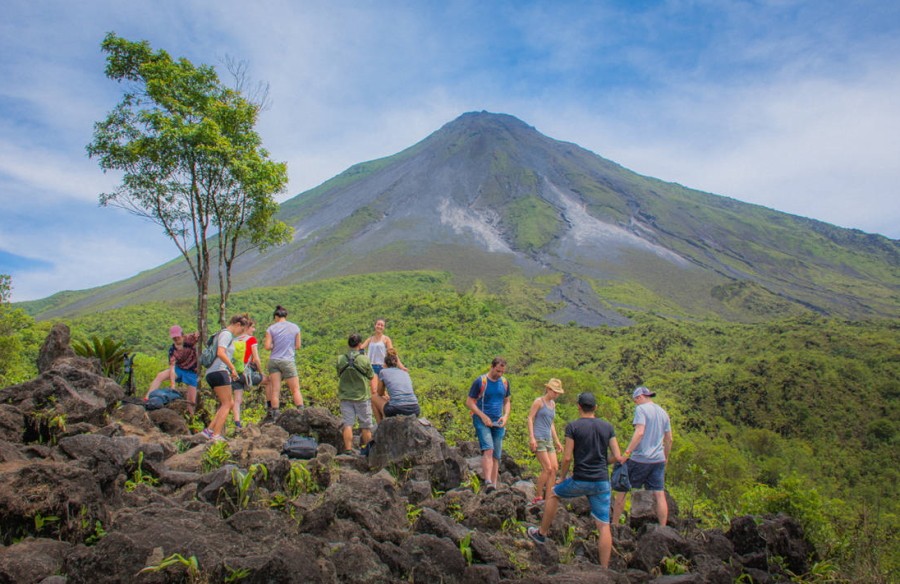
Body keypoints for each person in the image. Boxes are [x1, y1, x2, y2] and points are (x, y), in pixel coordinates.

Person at [528, 392, 623, 569]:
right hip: (602, 481)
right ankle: (604, 569)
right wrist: (603, 462)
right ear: (595, 408)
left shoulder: (573, 426)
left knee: (555, 493)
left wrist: (562, 477)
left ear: (579, 406)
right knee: (603, 525)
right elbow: (617, 456)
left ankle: (541, 533)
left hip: (580, 479)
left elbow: (566, 458)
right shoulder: (607, 427)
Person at [612, 386, 673, 526]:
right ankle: (663, 529)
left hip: (640, 458)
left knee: (622, 490)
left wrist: (626, 454)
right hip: (658, 459)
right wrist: (665, 457)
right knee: (659, 494)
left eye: (635, 401)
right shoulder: (663, 412)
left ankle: (614, 525)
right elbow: (669, 439)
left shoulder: (641, 409)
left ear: (639, 397)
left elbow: (639, 432)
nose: (635, 404)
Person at [465, 357, 511, 493]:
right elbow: (469, 402)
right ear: (491, 367)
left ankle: (494, 486)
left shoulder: (504, 382)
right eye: (497, 371)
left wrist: (506, 416)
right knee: (488, 449)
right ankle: (488, 482)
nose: (500, 374)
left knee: (496, 454)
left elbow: (507, 401)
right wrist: (483, 416)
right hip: (482, 420)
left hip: (498, 422)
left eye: (502, 371)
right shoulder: (481, 381)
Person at [201, 314, 249, 441]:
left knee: (229, 402)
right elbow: (220, 353)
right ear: (238, 325)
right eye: (242, 330)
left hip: (214, 372)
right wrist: (232, 368)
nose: (240, 333)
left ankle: (209, 430)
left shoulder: (222, 334)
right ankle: (216, 435)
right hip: (219, 370)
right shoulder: (227, 334)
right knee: (227, 403)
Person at [526, 378, 565, 505]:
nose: (556, 394)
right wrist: (532, 438)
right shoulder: (539, 402)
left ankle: (549, 496)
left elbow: (551, 423)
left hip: (548, 439)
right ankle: (538, 495)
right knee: (547, 468)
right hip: (539, 438)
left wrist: (557, 441)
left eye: (557, 392)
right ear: (548, 389)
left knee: (554, 468)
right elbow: (530, 418)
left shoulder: (553, 405)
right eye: (554, 391)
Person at [336, 333, 375, 454]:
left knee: (348, 424)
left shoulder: (340, 359)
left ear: (348, 344)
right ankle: (368, 452)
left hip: (345, 396)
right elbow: (371, 376)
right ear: (359, 345)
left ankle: (348, 449)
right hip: (362, 397)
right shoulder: (364, 359)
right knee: (366, 425)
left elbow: (339, 374)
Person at [360, 319, 406, 421]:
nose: (379, 326)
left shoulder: (386, 339)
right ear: (375, 325)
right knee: (374, 392)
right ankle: (380, 420)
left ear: (383, 327)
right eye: (378, 324)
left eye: (382, 325)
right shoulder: (370, 339)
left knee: (383, 394)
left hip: (383, 368)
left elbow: (392, 354)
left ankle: (388, 413)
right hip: (371, 367)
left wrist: (401, 366)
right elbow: (361, 348)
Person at [147, 325, 199, 414]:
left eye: (177, 337)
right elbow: (172, 368)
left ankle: (192, 419)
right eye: (174, 337)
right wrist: (173, 384)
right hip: (179, 370)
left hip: (192, 372)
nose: (176, 339)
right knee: (160, 375)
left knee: (191, 402)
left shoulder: (190, 339)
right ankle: (147, 397)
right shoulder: (172, 350)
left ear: (182, 335)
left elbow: (199, 334)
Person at [264, 305, 303, 422]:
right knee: (295, 389)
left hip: (274, 360)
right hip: (288, 360)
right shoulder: (295, 328)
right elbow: (298, 346)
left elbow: (267, 347)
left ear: (276, 316)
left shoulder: (271, 329)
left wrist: (274, 346)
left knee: (275, 389)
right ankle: (301, 412)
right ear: (285, 315)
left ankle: (275, 414)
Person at [231, 317, 265, 429]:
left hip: (235, 373)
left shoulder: (234, 340)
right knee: (269, 381)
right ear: (247, 327)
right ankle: (272, 410)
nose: (254, 330)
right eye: (252, 327)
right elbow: (256, 359)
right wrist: (261, 373)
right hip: (246, 373)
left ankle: (237, 424)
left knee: (237, 400)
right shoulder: (251, 340)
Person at [376, 348, 420, 418]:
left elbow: (379, 393)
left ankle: (381, 426)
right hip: (415, 409)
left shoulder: (383, 372)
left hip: (397, 409)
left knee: (374, 398)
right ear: (396, 362)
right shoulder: (405, 372)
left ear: (385, 363)